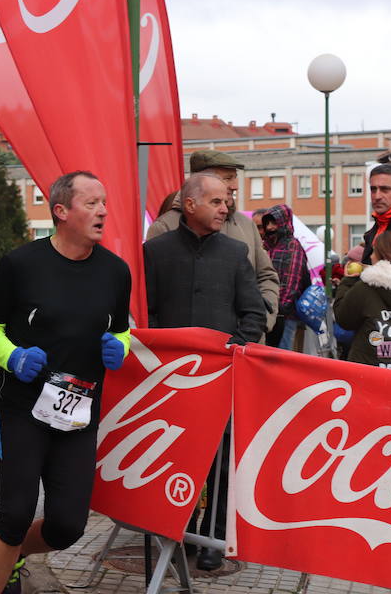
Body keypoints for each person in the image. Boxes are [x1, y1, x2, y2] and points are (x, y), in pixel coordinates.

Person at [0, 171, 131, 594]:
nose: (103, 211)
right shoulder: (21, 264)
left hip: (79, 414)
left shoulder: (116, 272)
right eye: (92, 203)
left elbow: (120, 329)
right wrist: (14, 356)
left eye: (104, 202)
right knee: (13, 514)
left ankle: (12, 554)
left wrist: (122, 346)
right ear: (62, 211)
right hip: (22, 410)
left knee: (68, 526)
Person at [144, 173, 266, 572]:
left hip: (223, 378)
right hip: (171, 381)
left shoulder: (233, 253)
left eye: (225, 202)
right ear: (190, 204)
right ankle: (177, 528)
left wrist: (234, 349)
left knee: (219, 460)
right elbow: (148, 314)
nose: (225, 208)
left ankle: (213, 539)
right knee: (175, 456)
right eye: (216, 201)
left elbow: (253, 313)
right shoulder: (156, 251)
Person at [147, 150, 279, 335]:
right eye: (227, 177)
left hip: (238, 351)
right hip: (177, 357)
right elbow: (149, 303)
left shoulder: (246, 225)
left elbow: (266, 277)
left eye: (235, 177)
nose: (235, 185)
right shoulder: (163, 228)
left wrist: (260, 322)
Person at [334, 230, 391, 371]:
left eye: (374, 252)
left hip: (369, 372)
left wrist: (347, 282)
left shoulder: (366, 288)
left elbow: (344, 319)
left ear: (386, 256)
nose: (370, 257)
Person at [261, 205, 309, 350]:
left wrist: (279, 309)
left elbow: (291, 282)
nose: (269, 227)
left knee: (281, 356)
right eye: (267, 223)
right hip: (266, 311)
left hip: (284, 315)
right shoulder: (267, 245)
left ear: (283, 222)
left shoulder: (293, 246)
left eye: (274, 223)